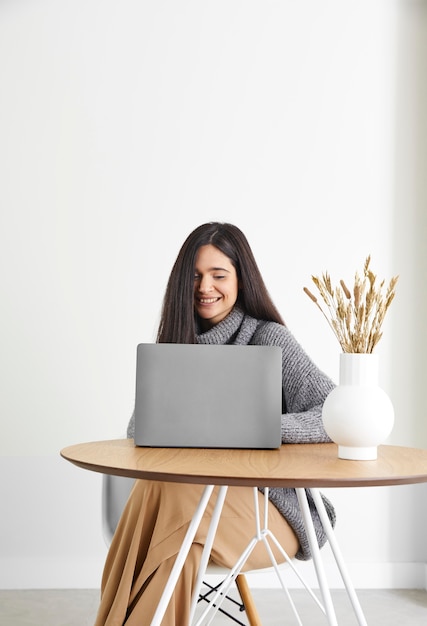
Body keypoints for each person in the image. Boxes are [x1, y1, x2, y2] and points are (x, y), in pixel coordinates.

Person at [95, 222, 336, 626]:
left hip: (270, 516)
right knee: (176, 523)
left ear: (241, 279)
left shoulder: (268, 339)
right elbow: (141, 432)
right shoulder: (176, 347)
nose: (205, 286)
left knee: (174, 498)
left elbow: (335, 414)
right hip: (191, 510)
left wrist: (262, 429)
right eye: (194, 275)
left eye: (218, 275)